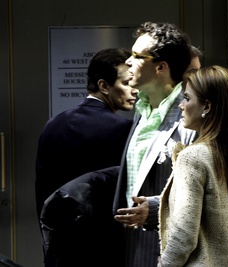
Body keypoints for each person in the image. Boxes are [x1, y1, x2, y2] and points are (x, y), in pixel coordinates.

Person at [35, 48, 136, 266]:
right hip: (104, 250)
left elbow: (42, 191)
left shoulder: (52, 125)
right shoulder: (123, 129)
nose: (135, 90)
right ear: (103, 86)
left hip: (59, 247)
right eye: (127, 83)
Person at [158, 66, 228, 266]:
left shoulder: (193, 157)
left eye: (187, 98)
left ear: (207, 106)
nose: (181, 105)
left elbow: (183, 237)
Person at [112, 22, 198, 267]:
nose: (128, 61)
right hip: (133, 247)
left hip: (170, 250)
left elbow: (206, 191)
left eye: (137, 56)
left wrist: (153, 209)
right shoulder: (142, 110)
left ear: (161, 67)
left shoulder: (191, 114)